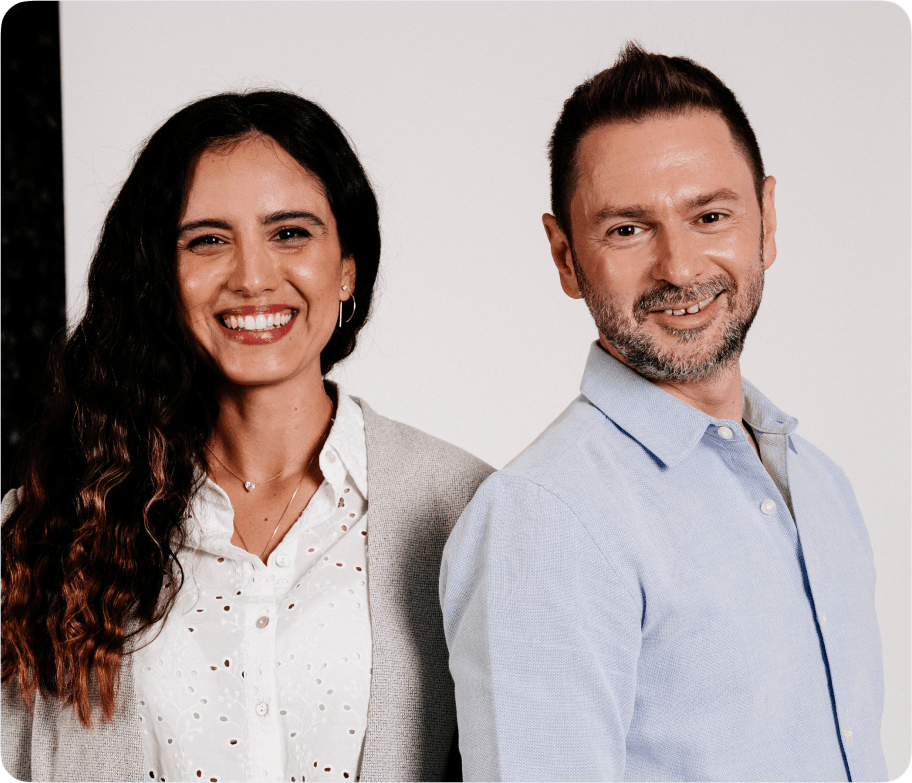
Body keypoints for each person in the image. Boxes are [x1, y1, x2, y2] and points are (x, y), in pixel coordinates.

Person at [2, 90, 492, 783]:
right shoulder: (47, 524)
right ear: (162, 277)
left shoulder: (466, 510)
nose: (253, 277)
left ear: (348, 267)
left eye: (290, 232)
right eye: (207, 239)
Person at [440, 43, 886, 782]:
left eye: (710, 215)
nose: (679, 267)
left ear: (767, 220)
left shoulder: (820, 482)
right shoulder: (547, 519)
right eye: (627, 229)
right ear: (564, 255)